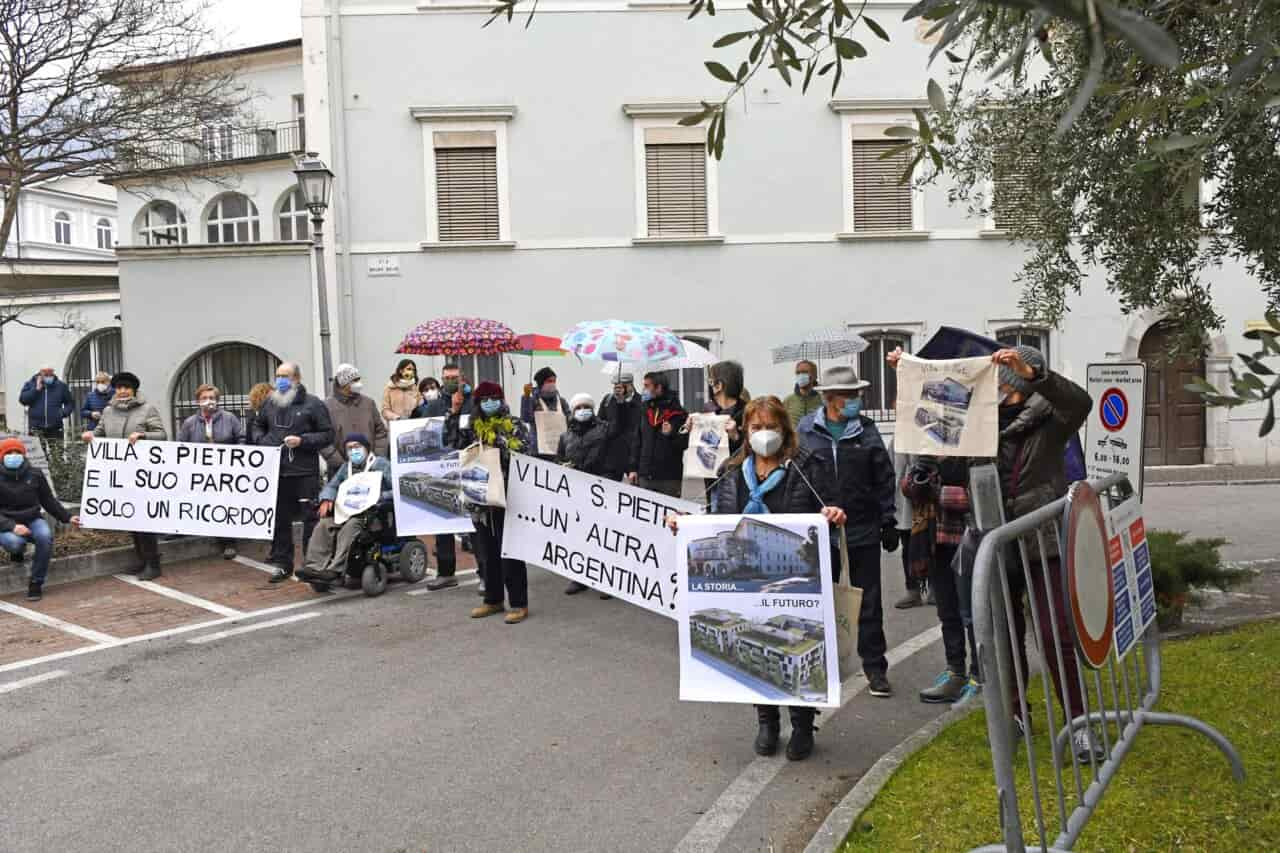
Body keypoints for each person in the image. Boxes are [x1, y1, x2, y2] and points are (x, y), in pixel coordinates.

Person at [668, 396, 846, 761]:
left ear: (785, 429)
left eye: (772, 427)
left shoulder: (809, 467)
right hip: (743, 584)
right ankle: (766, 721)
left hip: (795, 578)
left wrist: (834, 513)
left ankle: (801, 724)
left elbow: (832, 506)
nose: (765, 434)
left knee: (794, 643)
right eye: (757, 427)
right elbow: (715, 517)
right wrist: (682, 524)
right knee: (753, 641)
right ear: (747, 433)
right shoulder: (732, 471)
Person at [797, 365, 898, 698]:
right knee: (820, 600)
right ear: (828, 398)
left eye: (857, 394)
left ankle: (875, 667)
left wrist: (888, 519)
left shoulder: (867, 431)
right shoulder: (807, 430)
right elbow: (797, 475)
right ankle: (820, 666)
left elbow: (884, 476)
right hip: (819, 530)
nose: (855, 400)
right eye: (848, 395)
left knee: (868, 601)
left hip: (862, 528)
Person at [446, 381, 531, 623]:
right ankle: (493, 600)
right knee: (486, 552)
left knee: (510, 552)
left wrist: (498, 444)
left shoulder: (514, 424)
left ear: (501, 400)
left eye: (494, 398)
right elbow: (452, 443)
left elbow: (526, 453)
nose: (490, 403)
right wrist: (454, 412)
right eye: (485, 399)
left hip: (507, 497)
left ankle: (519, 603)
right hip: (480, 499)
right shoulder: (472, 425)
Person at [901, 456, 975, 704]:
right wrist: (915, 483)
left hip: (969, 542)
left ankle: (979, 675)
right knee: (947, 612)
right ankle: (955, 671)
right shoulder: (925, 451)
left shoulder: (977, 449)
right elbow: (907, 487)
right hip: (936, 543)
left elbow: (975, 497)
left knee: (972, 614)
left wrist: (936, 492)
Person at [253, 362, 335, 583]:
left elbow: (328, 434)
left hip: (304, 471)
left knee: (310, 517)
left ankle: (312, 562)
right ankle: (282, 563)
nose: (280, 380)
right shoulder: (269, 403)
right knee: (280, 519)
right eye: (278, 375)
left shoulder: (313, 404)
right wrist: (264, 442)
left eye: (285, 376)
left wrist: (303, 441)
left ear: (296, 378)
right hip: (277, 472)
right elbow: (257, 426)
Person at [81, 372, 166, 579]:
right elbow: (99, 432)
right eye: (119, 388)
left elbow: (162, 434)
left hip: (142, 474)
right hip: (119, 475)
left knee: (144, 520)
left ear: (134, 389)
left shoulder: (147, 409)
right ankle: (141, 559)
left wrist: (143, 435)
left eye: (126, 387)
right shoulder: (108, 411)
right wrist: (90, 435)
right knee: (130, 519)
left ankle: (153, 564)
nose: (122, 391)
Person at [297, 434, 393, 584]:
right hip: (347, 511)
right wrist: (326, 498)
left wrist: (380, 496)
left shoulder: (381, 464)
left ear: (366, 448)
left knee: (350, 527)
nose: (354, 451)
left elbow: (398, 489)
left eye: (357, 447)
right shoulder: (345, 468)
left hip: (372, 514)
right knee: (323, 525)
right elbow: (332, 486)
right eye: (350, 448)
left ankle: (335, 569)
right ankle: (314, 567)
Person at [0, 436, 80, 601]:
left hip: (32, 518)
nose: (13, 455)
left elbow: (48, 500)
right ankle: (17, 551)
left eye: (17, 452)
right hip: (7, 523)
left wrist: (68, 517)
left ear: (23, 454)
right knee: (15, 543)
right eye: (9, 452)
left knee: (45, 537)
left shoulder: (34, 474)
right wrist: (12, 526)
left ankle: (36, 582)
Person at [177, 384, 247, 560]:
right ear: (198, 402)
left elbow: (242, 439)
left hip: (225, 472)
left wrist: (235, 457)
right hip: (201, 472)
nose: (208, 401)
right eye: (204, 398)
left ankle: (229, 542)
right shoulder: (190, 423)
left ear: (217, 401)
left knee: (224, 504)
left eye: (212, 398)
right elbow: (181, 446)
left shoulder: (229, 418)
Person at [420, 364, 473, 591]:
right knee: (443, 520)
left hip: (468, 466)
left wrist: (460, 408)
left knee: (473, 521)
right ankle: (445, 572)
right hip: (440, 468)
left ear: (462, 378)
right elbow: (425, 431)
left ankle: (484, 572)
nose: (450, 381)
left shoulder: (473, 401)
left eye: (454, 377)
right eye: (446, 378)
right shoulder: (433, 405)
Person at [558, 392, 612, 597]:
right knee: (578, 535)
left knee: (602, 535)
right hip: (576, 492)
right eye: (578, 407)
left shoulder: (604, 430)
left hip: (599, 488)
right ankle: (579, 576)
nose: (582, 411)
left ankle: (607, 580)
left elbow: (610, 457)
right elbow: (559, 459)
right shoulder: (566, 436)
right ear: (572, 411)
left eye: (585, 406)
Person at [627, 371, 688, 498]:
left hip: (669, 478)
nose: (644, 390)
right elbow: (636, 441)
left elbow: (684, 444)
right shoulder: (644, 410)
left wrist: (671, 434)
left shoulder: (678, 413)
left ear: (659, 387)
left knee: (669, 516)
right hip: (645, 475)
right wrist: (632, 468)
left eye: (647, 386)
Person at [322, 363, 388, 474]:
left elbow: (380, 432)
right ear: (344, 383)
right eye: (355, 380)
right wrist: (340, 464)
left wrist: (376, 458)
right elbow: (323, 440)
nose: (359, 383)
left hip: (371, 468)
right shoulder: (326, 406)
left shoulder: (368, 403)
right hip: (339, 471)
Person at [598, 372, 642, 483]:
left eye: (623, 386)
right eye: (615, 386)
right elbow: (600, 423)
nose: (618, 389)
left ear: (631, 385)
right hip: (612, 456)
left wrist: (622, 404)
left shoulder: (641, 402)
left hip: (633, 455)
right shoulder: (608, 401)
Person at [521, 366, 570, 461]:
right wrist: (526, 397)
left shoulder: (561, 401)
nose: (552, 384)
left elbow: (569, 419)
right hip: (538, 451)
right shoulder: (533, 400)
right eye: (549, 381)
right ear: (541, 383)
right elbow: (526, 418)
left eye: (554, 381)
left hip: (559, 451)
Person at [20, 366, 74, 445]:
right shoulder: (30, 384)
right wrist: (36, 390)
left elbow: (70, 403)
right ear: (40, 374)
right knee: (38, 455)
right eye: (46, 374)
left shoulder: (61, 386)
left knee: (57, 454)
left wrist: (62, 413)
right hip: (36, 427)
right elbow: (23, 400)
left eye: (50, 374)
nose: (49, 376)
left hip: (55, 427)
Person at [707, 360, 747, 454]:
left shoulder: (749, 414)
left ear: (718, 386)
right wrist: (689, 430)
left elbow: (755, 452)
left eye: (710, 381)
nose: (709, 385)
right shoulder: (708, 411)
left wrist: (736, 437)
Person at [784, 360, 822, 427]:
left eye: (805, 372)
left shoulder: (822, 400)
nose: (801, 375)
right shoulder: (788, 401)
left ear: (814, 376)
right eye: (798, 373)